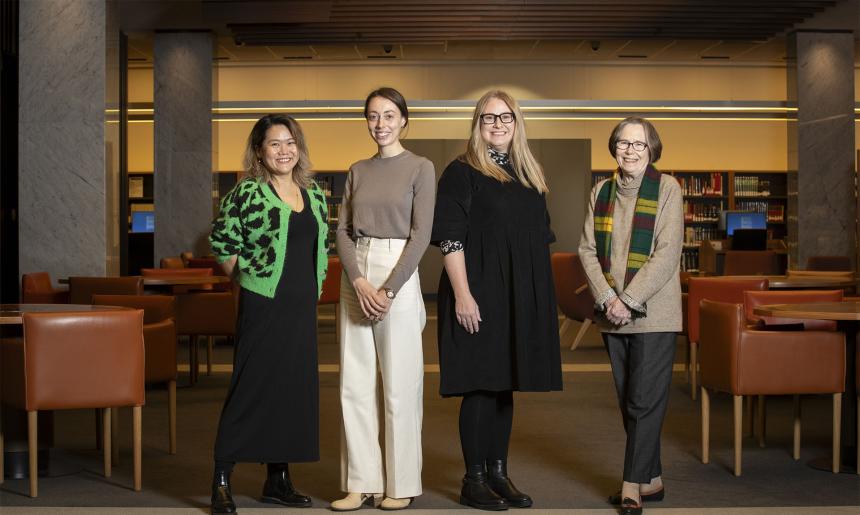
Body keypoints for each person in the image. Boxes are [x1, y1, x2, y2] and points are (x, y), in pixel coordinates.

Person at [431, 90, 562, 511]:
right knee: (480, 387)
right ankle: (474, 479)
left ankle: (498, 474)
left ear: (517, 122)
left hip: (515, 297)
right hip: (478, 293)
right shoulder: (461, 171)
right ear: (477, 124)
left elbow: (537, 241)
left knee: (505, 387)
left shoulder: (530, 174)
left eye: (506, 117)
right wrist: (463, 296)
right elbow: (450, 238)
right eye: (489, 118)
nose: (498, 124)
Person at [208, 114, 330, 514]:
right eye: (274, 143)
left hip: (300, 309)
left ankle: (278, 480)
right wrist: (250, 280)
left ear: (300, 147)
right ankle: (222, 477)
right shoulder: (247, 194)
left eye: (290, 142)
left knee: (291, 392)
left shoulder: (314, 195)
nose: (284, 150)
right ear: (260, 150)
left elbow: (320, 250)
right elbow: (223, 244)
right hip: (264, 307)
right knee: (250, 388)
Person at [333, 87, 436, 511]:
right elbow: (340, 230)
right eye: (373, 116)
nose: (381, 124)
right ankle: (360, 482)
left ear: (404, 120)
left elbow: (421, 235)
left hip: (399, 269)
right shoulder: (357, 169)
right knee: (353, 384)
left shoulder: (421, 168)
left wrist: (388, 289)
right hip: (357, 270)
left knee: (400, 384)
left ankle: (402, 484)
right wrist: (357, 279)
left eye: (389, 115)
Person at [578, 117, 683, 515]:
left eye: (640, 144)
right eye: (624, 143)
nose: (631, 150)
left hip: (655, 313)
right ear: (614, 148)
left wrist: (629, 299)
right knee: (628, 400)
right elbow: (587, 249)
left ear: (652, 149)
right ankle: (651, 478)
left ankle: (631, 485)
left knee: (644, 400)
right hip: (612, 314)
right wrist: (608, 299)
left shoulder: (669, 188)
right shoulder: (601, 191)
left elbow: (668, 251)